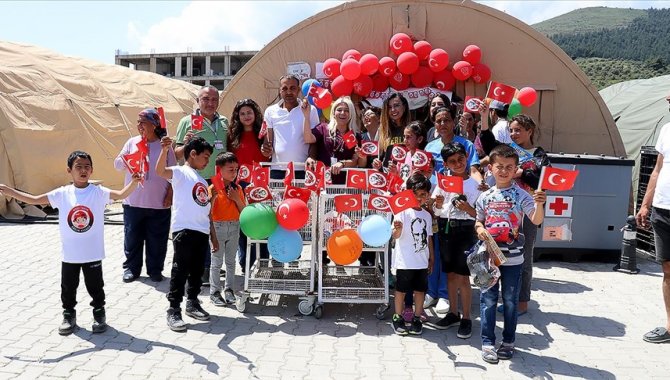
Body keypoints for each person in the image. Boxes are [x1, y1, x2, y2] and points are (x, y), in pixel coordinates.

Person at [0, 151, 141, 335]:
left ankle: (99, 313)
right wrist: (10, 191)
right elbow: (34, 200)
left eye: (87, 167)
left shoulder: (98, 192)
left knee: (95, 286)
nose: (83, 170)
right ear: (69, 170)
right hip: (70, 254)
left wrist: (134, 182)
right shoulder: (62, 194)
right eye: (78, 167)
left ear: (92, 170)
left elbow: (121, 194)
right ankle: (68, 314)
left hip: (92, 253)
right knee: (68, 287)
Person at [475, 144, 546, 364]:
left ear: (516, 169)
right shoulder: (484, 196)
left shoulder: (521, 194)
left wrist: (539, 204)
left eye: (509, 167)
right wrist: (480, 230)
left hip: (514, 259)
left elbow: (536, 219)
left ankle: (508, 342)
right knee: (487, 300)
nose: (504, 171)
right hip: (489, 260)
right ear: (491, 169)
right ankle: (487, 343)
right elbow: (479, 221)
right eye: (499, 166)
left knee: (510, 301)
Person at [479, 111, 550, 315]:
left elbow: (543, 183)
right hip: (504, 212)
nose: (513, 133)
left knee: (524, 256)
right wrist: (485, 116)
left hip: (527, 212)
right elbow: (487, 143)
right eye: (511, 130)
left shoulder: (539, 155)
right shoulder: (509, 151)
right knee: (500, 256)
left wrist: (523, 173)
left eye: (518, 130)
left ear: (530, 131)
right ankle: (505, 297)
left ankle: (521, 302)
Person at [156, 135, 216, 332]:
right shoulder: (181, 172)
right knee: (180, 270)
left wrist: (212, 235)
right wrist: (165, 151)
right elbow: (160, 171)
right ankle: (174, 309)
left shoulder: (200, 179)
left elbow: (206, 209)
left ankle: (192, 302)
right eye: (205, 156)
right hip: (184, 230)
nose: (207, 161)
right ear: (193, 154)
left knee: (197, 270)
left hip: (201, 231)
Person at [174, 85, 229, 285]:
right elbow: (176, 154)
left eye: (214, 99)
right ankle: (201, 268)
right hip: (196, 180)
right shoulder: (186, 122)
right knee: (200, 223)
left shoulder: (223, 122)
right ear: (198, 101)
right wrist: (186, 143)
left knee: (217, 221)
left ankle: (212, 265)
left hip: (218, 179)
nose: (210, 103)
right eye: (205, 99)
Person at [114, 108, 175, 283]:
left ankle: (155, 270)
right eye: (138, 122)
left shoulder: (165, 146)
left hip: (158, 202)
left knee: (157, 239)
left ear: (154, 125)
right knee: (132, 238)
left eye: (143, 122)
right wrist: (130, 158)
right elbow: (117, 165)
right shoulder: (132, 142)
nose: (139, 125)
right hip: (133, 201)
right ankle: (131, 269)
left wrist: (170, 195)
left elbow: (173, 173)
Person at [430, 142, 482, 339]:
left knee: (463, 277)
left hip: (466, 231)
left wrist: (469, 209)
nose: (458, 164)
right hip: (446, 229)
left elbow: (482, 214)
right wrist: (438, 205)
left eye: (461, 159)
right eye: (452, 161)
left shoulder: (476, 185)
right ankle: (453, 313)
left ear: (466, 158)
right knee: (450, 274)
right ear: (445, 164)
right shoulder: (443, 183)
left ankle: (467, 317)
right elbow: (435, 212)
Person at [637, 95, 670, 344]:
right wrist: (645, 204)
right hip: (663, 209)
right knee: (668, 270)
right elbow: (657, 169)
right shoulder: (666, 130)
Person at [227, 98, 270, 272]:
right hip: (241, 184)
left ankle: (265, 262)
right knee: (244, 223)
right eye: (242, 113)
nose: (246, 116)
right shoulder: (232, 136)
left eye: (249, 112)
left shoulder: (264, 133)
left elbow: (269, 156)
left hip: (261, 183)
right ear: (238, 116)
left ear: (255, 114)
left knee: (263, 222)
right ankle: (246, 263)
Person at [390, 173, 434, 336]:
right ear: (408, 194)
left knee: (420, 291)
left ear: (428, 195)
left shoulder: (427, 215)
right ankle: (397, 317)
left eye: (423, 194)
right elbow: (395, 236)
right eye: (415, 194)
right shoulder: (401, 213)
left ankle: (417, 317)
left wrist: (432, 257)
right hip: (404, 261)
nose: (419, 198)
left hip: (421, 262)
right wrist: (398, 229)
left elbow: (429, 238)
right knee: (401, 290)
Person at [263, 75, 319, 180]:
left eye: (292, 88)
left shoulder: (310, 110)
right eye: (284, 88)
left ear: (298, 90)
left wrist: (312, 157)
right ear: (280, 91)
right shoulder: (270, 111)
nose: (288, 92)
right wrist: (265, 149)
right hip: (277, 169)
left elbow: (315, 140)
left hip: (302, 169)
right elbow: (268, 140)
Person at [209, 152, 245, 307]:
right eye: (230, 169)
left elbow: (244, 211)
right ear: (219, 170)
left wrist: (236, 198)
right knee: (216, 262)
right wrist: (213, 198)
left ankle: (229, 290)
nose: (234, 173)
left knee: (231, 262)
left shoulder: (237, 189)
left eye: (236, 169)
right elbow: (207, 212)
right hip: (217, 227)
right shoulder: (212, 189)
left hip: (234, 226)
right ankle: (215, 292)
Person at [307, 96, 366, 184]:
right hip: (322, 181)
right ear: (334, 112)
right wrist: (306, 116)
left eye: (347, 110)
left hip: (344, 183)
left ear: (351, 114)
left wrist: (342, 163)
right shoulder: (323, 128)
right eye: (339, 110)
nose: (343, 113)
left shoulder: (354, 135)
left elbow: (356, 161)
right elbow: (308, 139)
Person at [425, 106, 483, 186]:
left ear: (454, 122)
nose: (442, 124)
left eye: (446, 120)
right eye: (438, 121)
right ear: (434, 125)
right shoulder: (429, 148)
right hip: (436, 190)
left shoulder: (467, 144)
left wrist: (481, 183)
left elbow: (473, 171)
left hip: (462, 187)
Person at [374, 93, 411, 170]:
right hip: (387, 174)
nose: (393, 110)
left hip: (406, 175)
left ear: (404, 107)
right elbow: (378, 156)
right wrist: (376, 162)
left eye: (396, 105)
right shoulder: (383, 130)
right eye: (389, 107)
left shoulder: (412, 128)